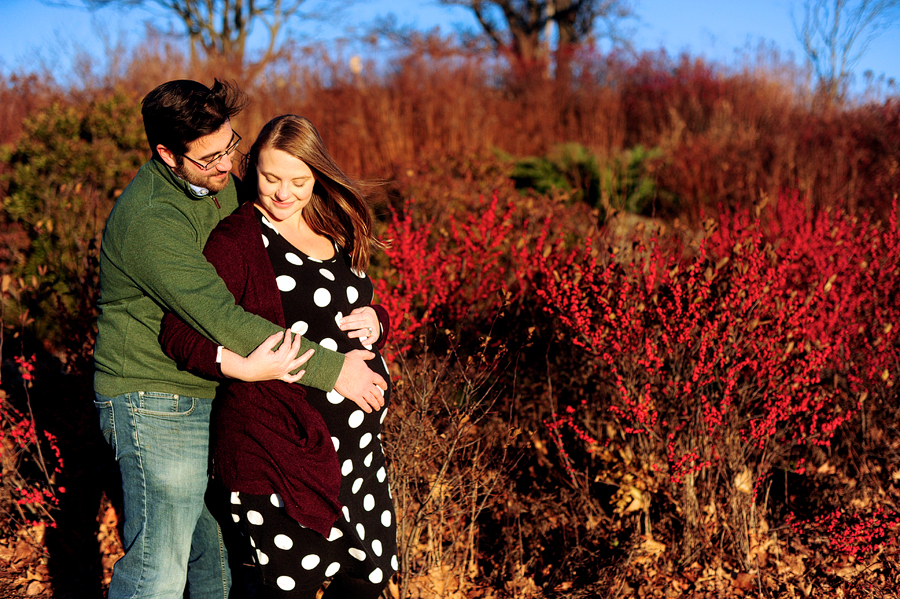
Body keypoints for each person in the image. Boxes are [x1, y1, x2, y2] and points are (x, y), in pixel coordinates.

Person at [93, 81, 387, 599]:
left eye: (232, 146)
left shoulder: (219, 181)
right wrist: (334, 371)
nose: (229, 168)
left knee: (219, 561)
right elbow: (223, 318)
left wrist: (374, 315)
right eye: (211, 158)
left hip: (216, 393)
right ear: (167, 154)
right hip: (156, 394)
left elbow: (330, 287)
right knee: (160, 562)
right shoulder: (152, 221)